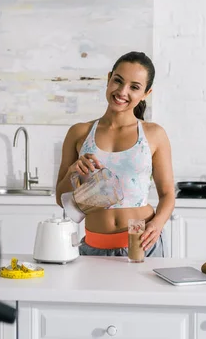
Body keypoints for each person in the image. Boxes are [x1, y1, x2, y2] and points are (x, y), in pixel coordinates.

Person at [55, 51, 175, 257]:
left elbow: (167, 194)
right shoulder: (79, 132)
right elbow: (61, 198)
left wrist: (157, 224)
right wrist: (73, 171)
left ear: (146, 93)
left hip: (142, 245)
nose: (122, 91)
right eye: (118, 81)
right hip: (93, 246)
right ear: (109, 79)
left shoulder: (154, 134)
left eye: (134, 87)